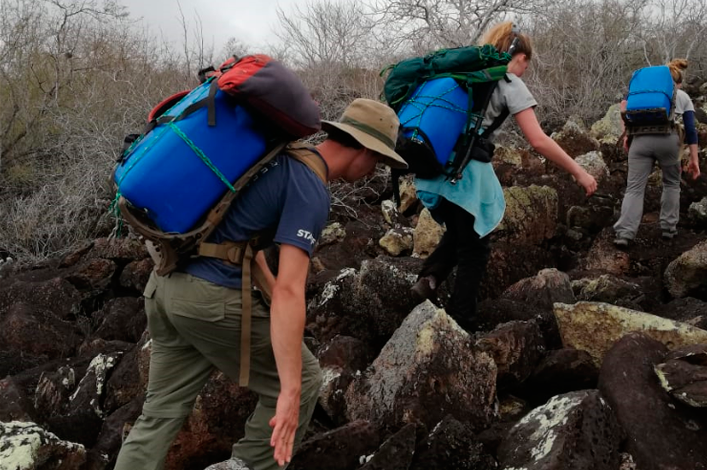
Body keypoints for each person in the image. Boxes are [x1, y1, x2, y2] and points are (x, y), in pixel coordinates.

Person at [114, 98, 408, 470]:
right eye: (379, 160)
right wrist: (291, 386)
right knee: (302, 378)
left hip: (165, 288)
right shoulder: (310, 187)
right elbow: (290, 288)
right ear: (365, 150)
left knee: (159, 413)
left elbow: (242, 247)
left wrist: (276, 316)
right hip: (209, 301)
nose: (374, 170)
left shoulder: (276, 156)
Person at [410, 21, 597, 332]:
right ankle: (462, 324)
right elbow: (538, 140)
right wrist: (579, 171)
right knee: (475, 248)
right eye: (526, 64)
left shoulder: (460, 74)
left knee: (460, 231)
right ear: (520, 57)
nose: (524, 70)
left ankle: (429, 279)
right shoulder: (509, 81)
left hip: (432, 169)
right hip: (464, 176)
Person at [613, 59, 701, 247]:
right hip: (668, 141)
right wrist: (694, 159)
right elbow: (692, 131)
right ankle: (668, 229)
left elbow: (623, 108)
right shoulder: (683, 96)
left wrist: (627, 136)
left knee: (634, 188)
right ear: (678, 82)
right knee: (671, 183)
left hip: (639, 141)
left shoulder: (643, 93)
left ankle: (624, 234)